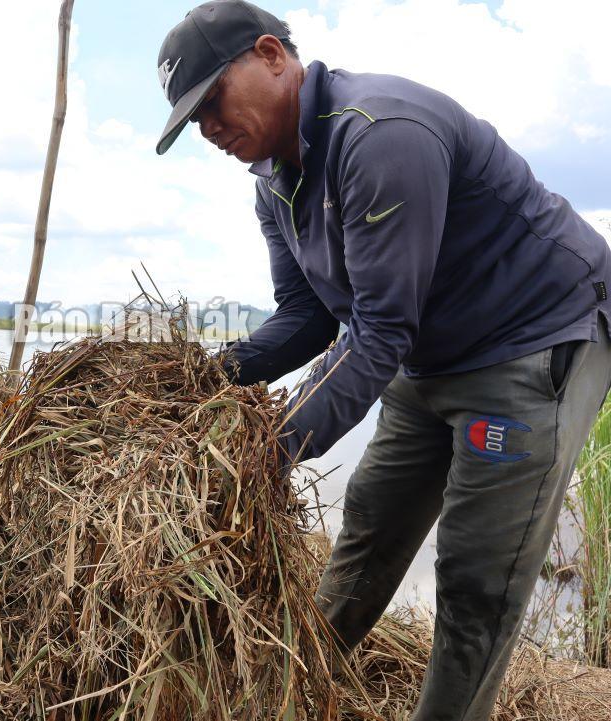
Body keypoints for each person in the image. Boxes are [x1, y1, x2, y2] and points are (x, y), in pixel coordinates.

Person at [154, 2, 611, 719]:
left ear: (272, 56)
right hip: (424, 353)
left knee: (474, 578)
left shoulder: (380, 135)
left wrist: (265, 451)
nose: (208, 128)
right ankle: (290, 698)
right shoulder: (275, 179)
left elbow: (377, 329)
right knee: (368, 523)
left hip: (530, 341)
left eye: (212, 99)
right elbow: (307, 318)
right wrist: (193, 383)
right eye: (192, 120)